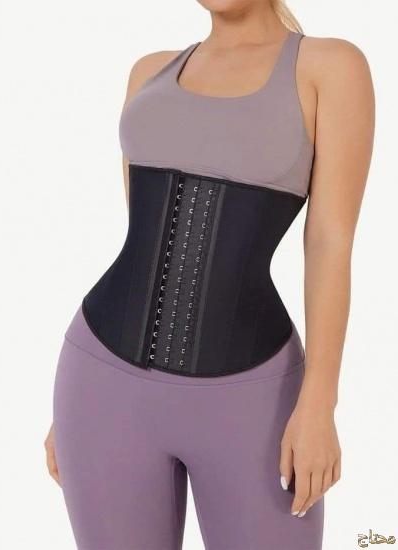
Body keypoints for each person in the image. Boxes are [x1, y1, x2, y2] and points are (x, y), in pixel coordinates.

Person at [44, 0, 375, 548]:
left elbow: (329, 243)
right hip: (102, 382)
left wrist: (319, 405)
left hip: (253, 399)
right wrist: (78, 415)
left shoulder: (330, 67)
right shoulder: (148, 72)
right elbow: (140, 241)